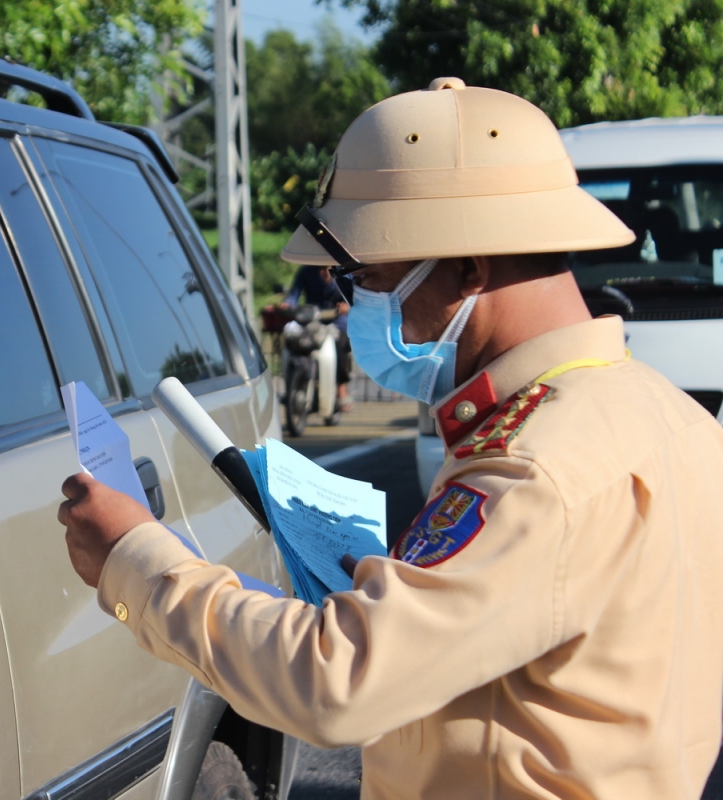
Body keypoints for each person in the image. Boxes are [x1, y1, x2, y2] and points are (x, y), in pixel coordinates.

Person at [58, 77, 723, 798]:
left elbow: (335, 681)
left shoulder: (535, 469)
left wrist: (134, 561)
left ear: (468, 268)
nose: (353, 309)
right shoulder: (669, 415)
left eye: (365, 278)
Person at [283, 264, 353, 410]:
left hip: (337, 321)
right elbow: (294, 295)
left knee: (340, 347)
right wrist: (287, 305)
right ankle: (292, 383)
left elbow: (354, 295)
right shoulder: (306, 271)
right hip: (312, 320)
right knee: (295, 343)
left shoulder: (344, 271)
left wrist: (348, 306)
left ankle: (341, 388)